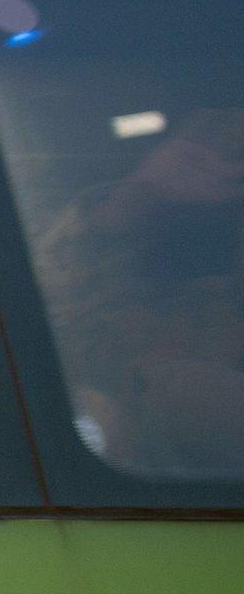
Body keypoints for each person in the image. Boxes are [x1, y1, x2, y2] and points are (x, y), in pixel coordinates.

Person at [33, 109, 244, 476]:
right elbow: (40, 333)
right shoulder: (164, 322)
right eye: (200, 152)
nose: (225, 167)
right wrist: (134, 201)